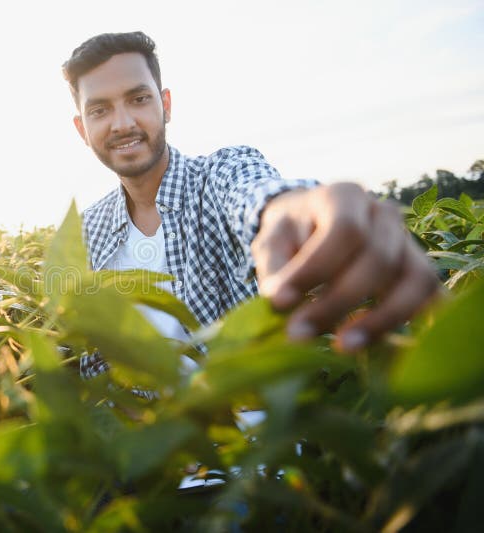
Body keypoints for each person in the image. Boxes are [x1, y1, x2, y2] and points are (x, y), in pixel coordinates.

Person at [61, 31, 439, 377]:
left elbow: (258, 195)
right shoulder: (86, 232)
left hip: (259, 445)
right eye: (100, 110)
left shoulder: (221, 174)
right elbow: (93, 361)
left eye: (138, 99)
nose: (122, 123)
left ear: (166, 105)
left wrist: (299, 210)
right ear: (82, 129)